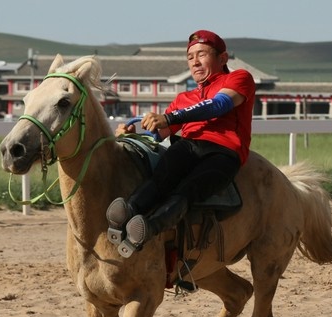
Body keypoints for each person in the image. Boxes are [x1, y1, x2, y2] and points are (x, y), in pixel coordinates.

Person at [107, 30, 255, 258]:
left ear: (222, 58)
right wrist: (132, 134)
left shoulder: (239, 78)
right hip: (187, 146)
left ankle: (148, 229)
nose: (195, 62)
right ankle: (128, 210)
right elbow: (159, 133)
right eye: (190, 57)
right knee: (161, 177)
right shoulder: (182, 99)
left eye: (202, 54)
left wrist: (169, 117)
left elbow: (219, 105)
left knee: (188, 190)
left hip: (223, 152)